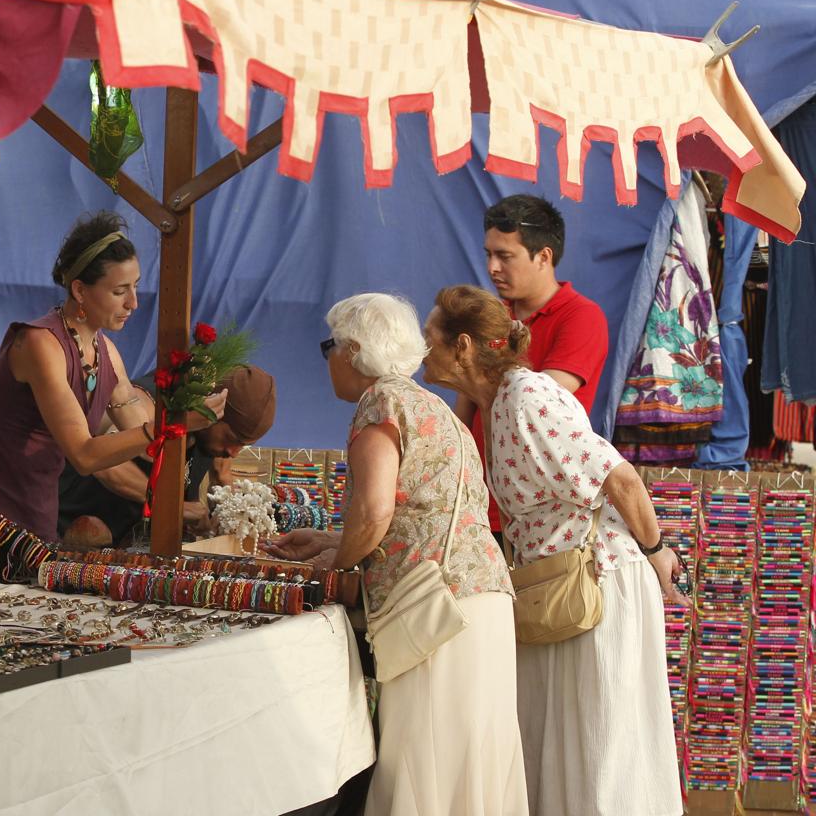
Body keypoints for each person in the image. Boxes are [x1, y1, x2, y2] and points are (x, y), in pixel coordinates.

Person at [424, 284, 685, 816]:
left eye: (430, 338)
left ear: (464, 345)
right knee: (565, 736)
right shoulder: (495, 405)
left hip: (598, 580)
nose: (421, 349)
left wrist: (658, 552)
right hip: (558, 587)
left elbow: (622, 479)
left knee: (602, 737)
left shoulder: (527, 398)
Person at [266, 293, 528, 816]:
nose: (326, 361)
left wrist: (335, 565)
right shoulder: (432, 407)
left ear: (354, 349)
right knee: (471, 757)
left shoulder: (381, 403)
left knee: (426, 754)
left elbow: (377, 509)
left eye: (330, 346)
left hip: (437, 610)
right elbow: (414, 513)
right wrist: (332, 542)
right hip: (480, 601)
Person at [0, 211, 226, 540]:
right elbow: (85, 455)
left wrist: (188, 401)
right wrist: (175, 424)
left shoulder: (108, 354)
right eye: (120, 291)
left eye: (136, 287)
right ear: (80, 290)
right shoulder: (40, 345)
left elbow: (143, 437)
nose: (133, 303)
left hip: (38, 508)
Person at [455, 194, 609, 535]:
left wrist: (474, 374)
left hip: (541, 511)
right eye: (489, 254)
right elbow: (464, 406)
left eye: (504, 256)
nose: (492, 267)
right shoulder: (490, 316)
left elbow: (535, 402)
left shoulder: (582, 317)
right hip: (480, 500)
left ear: (543, 256)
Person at [57, 365, 277, 546]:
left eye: (244, 445)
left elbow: (223, 469)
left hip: (126, 549)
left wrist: (231, 508)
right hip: (69, 534)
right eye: (232, 438)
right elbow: (103, 465)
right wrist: (173, 505)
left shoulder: (216, 441)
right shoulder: (150, 402)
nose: (233, 451)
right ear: (212, 409)